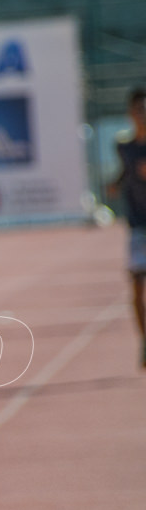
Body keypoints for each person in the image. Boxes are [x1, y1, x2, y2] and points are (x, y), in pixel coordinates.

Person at [107, 87, 146, 368]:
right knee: (136, 288)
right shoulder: (125, 147)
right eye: (139, 109)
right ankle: (144, 342)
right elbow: (124, 175)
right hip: (137, 226)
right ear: (130, 114)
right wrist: (115, 184)